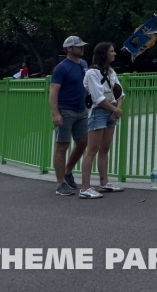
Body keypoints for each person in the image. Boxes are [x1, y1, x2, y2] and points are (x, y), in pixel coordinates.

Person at [78, 42, 125, 199]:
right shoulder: (92, 73)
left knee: (105, 148)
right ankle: (85, 187)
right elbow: (98, 97)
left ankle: (104, 182)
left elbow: (119, 92)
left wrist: (117, 109)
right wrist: (115, 110)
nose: (114, 53)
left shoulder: (110, 71)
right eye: (111, 51)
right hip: (99, 111)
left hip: (111, 110)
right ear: (103, 53)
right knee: (92, 149)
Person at [49, 36, 90, 196]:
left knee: (82, 142)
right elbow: (53, 91)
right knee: (62, 146)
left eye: (82, 46)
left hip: (81, 110)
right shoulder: (61, 68)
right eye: (78, 46)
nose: (82, 48)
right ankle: (61, 183)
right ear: (69, 48)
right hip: (65, 110)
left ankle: (67, 172)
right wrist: (55, 113)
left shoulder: (84, 64)